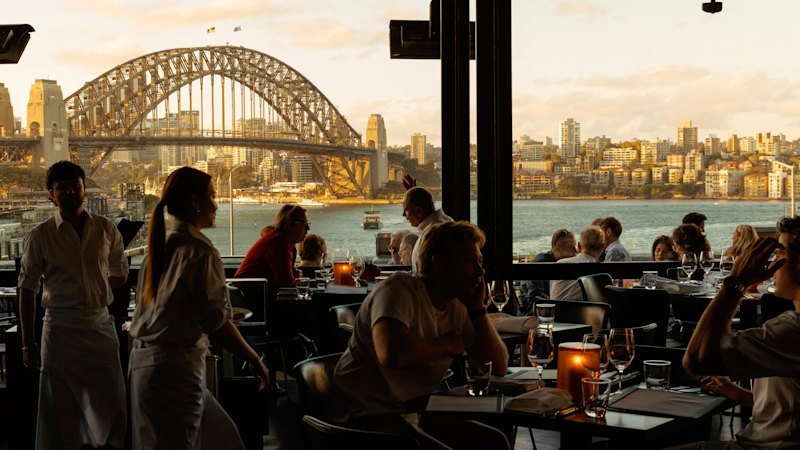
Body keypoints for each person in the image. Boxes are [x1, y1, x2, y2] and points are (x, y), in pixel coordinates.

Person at [333, 221, 510, 449]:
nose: (480, 271)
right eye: (469, 261)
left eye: (480, 262)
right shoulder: (398, 290)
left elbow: (498, 367)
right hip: (360, 416)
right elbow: (394, 354)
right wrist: (446, 344)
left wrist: (477, 309)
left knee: (495, 441)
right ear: (440, 264)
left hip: (412, 411)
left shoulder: (458, 305)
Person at [128, 167, 269, 449]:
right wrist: (254, 358)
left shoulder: (160, 247)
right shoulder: (201, 252)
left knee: (224, 439)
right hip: (175, 373)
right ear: (196, 201)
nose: (217, 205)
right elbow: (216, 321)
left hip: (148, 367)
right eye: (213, 196)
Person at [17, 161, 128, 450]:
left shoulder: (106, 230)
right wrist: (27, 344)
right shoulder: (39, 237)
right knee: (62, 411)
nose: (69, 192)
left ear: (84, 188)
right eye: (61, 187)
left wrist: (92, 286)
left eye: (74, 185)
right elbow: (27, 289)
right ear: (50, 194)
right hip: (61, 331)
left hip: (99, 327)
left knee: (112, 406)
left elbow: (120, 275)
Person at [683, 217, 800, 449]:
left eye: (779, 255)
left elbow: (696, 359)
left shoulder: (792, 331)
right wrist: (736, 392)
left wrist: (737, 281)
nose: (773, 264)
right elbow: (788, 406)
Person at [235, 204, 309, 299]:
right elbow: (287, 285)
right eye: (304, 224)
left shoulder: (275, 237)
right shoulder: (281, 242)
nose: (308, 229)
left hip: (246, 295)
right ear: (290, 223)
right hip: (253, 300)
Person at [520, 229, 578, 312]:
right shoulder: (541, 264)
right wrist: (558, 303)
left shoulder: (565, 262)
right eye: (571, 248)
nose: (575, 251)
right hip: (535, 311)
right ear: (557, 249)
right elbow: (535, 295)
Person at [402, 186, 453, 273]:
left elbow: (426, 275)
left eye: (406, 210)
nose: (404, 215)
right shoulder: (445, 222)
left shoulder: (435, 233)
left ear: (419, 211)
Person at [549, 226, 605, 301]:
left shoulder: (560, 264)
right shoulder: (601, 271)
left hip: (557, 311)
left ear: (579, 246)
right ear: (603, 247)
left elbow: (552, 296)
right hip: (581, 312)